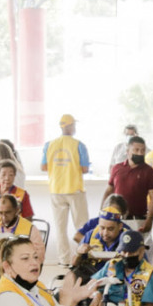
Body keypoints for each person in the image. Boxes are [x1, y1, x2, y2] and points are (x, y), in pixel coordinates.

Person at [42, 113, 91, 266]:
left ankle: (64, 260)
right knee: (82, 226)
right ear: (69, 126)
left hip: (56, 189)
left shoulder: (49, 145)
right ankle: (82, 259)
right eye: (73, 125)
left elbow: (43, 167)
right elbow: (85, 169)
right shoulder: (79, 145)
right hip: (75, 189)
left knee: (60, 228)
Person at [105, 135, 153, 224]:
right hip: (115, 218)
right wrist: (102, 212)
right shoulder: (116, 168)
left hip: (137, 220)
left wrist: (149, 219)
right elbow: (109, 191)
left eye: (143, 150)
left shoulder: (150, 172)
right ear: (128, 151)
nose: (140, 153)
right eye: (136, 150)